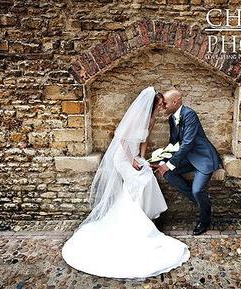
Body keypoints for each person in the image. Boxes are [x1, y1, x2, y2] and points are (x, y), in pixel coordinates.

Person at [61, 86, 190, 279]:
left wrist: (142, 159)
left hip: (134, 156)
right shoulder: (137, 116)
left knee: (146, 176)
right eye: (159, 105)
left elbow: (145, 141)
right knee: (137, 182)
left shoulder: (152, 119)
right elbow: (120, 138)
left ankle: (145, 215)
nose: (162, 108)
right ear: (152, 105)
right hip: (122, 157)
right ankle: (135, 222)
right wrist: (131, 160)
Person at [153, 89, 222, 236]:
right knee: (167, 174)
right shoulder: (172, 118)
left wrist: (169, 163)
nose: (163, 106)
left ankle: (205, 220)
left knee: (197, 190)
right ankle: (203, 200)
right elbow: (174, 143)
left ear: (175, 102)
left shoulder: (190, 114)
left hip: (203, 158)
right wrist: (161, 159)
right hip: (188, 159)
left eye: (165, 103)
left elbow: (187, 144)